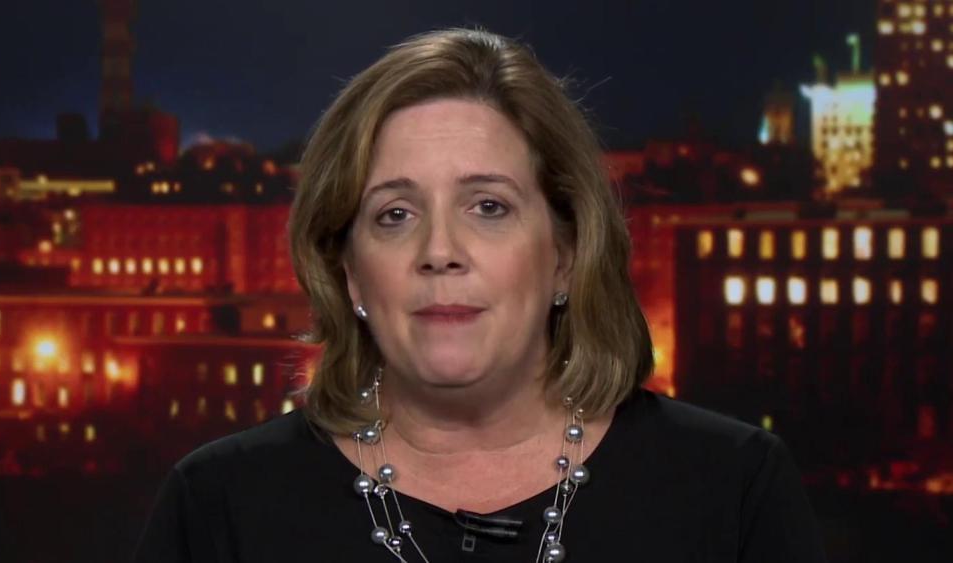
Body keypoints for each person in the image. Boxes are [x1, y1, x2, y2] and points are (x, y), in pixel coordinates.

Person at [133, 28, 827, 562]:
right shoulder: (218, 504)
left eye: (488, 206)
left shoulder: (734, 488)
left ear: (565, 254)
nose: (440, 250)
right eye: (394, 214)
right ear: (348, 272)